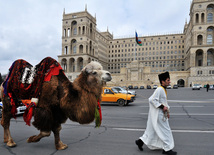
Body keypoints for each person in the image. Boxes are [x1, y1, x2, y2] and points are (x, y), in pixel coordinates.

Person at [135, 71, 177, 155]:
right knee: (166, 131)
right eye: (168, 80)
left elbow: (163, 101)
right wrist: (162, 107)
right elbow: (152, 100)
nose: (170, 82)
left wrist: (167, 110)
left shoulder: (163, 89)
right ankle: (167, 149)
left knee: (151, 131)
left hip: (160, 114)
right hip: (159, 115)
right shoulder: (160, 89)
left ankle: (140, 142)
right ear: (163, 81)